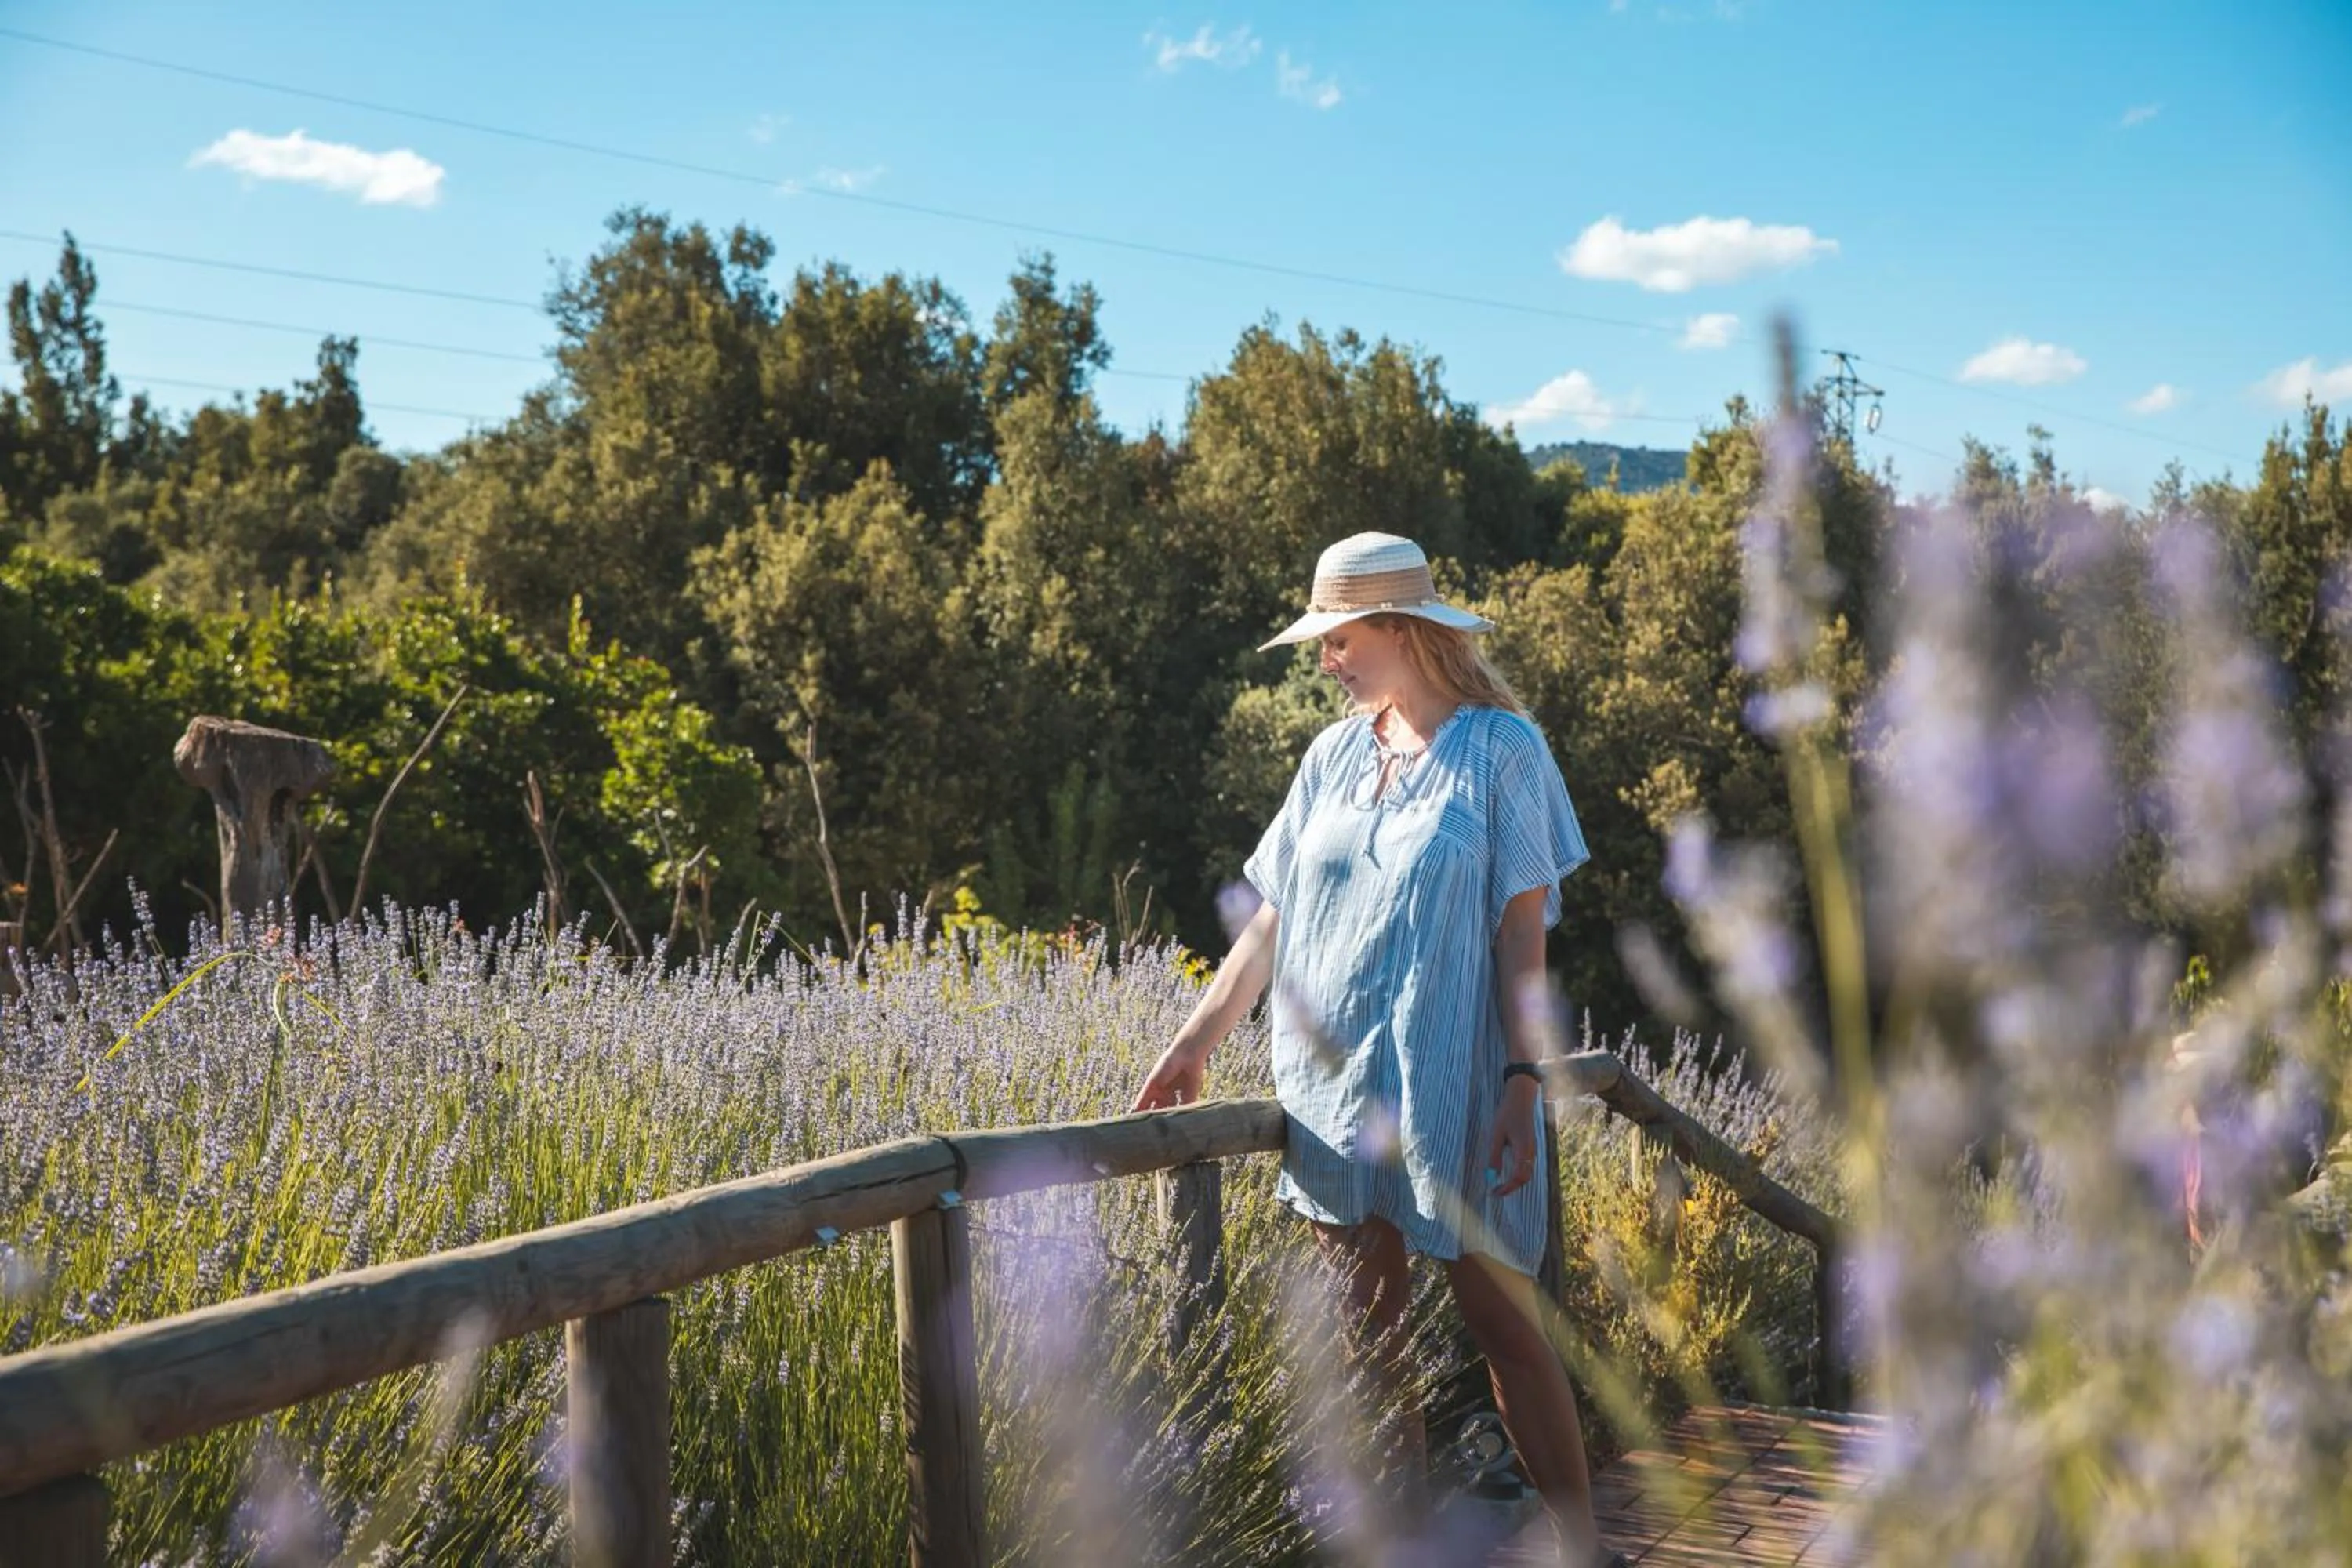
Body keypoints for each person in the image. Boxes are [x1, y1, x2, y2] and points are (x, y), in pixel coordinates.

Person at [1134, 532, 1623, 1567]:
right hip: (1330, 1090)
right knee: (1374, 1352)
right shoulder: (1331, 758)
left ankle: (1581, 1548)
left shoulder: (1502, 751)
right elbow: (1269, 924)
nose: (1326, 659)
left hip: (1458, 1082)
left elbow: (1522, 934)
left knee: (1507, 1330)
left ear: (1403, 631)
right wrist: (1193, 1040)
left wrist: (1525, 1080)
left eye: (1340, 637)